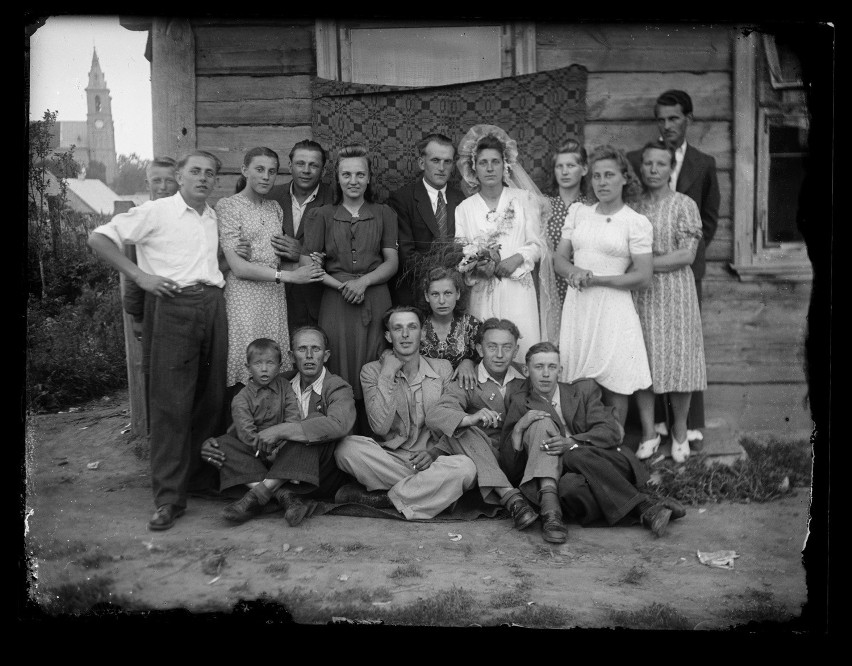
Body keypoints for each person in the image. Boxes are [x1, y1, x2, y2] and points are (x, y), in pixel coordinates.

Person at [87, 150, 228, 531]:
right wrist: (140, 277)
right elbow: (99, 238)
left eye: (210, 174)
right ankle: (168, 498)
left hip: (213, 304)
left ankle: (195, 481)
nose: (203, 178)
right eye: (195, 171)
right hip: (173, 304)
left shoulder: (211, 215)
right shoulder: (158, 211)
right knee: (170, 403)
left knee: (209, 397)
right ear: (179, 176)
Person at [500, 342, 685, 544]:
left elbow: (611, 432)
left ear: (560, 371)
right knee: (570, 488)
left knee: (573, 453)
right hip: (567, 475)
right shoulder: (520, 402)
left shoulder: (583, 390)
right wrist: (518, 429)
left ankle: (643, 507)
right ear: (526, 370)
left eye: (552, 367)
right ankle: (646, 505)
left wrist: (571, 442)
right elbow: (511, 469)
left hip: (607, 461)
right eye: (539, 367)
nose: (545, 373)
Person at [627, 90, 720, 441]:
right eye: (661, 119)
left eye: (674, 118)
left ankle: (686, 428)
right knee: (647, 351)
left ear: (688, 120)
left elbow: (708, 221)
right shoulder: (636, 161)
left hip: (682, 275)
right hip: (644, 282)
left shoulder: (704, 162)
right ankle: (649, 431)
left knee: (681, 352)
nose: (667, 126)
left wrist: (682, 259)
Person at [332, 306, 478, 519]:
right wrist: (388, 373)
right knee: (346, 449)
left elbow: (451, 419)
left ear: (422, 332)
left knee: (466, 468)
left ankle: (387, 498)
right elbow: (379, 426)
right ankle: (431, 494)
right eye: (397, 328)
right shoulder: (371, 371)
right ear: (388, 336)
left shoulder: (442, 369)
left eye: (412, 327)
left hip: (434, 460)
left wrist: (434, 453)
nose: (405, 334)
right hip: (391, 459)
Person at [203, 329, 355, 526]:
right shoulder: (276, 379)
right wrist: (216, 442)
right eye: (302, 349)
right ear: (291, 357)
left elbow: (338, 424)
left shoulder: (337, 386)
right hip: (273, 460)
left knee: (313, 423)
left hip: (314, 473)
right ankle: (284, 496)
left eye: (315, 349)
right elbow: (246, 420)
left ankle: (257, 495)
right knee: (221, 444)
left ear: (325, 355)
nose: (309, 356)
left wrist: (281, 431)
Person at [299, 144, 399, 433]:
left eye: (359, 174)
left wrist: (363, 282)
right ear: (338, 178)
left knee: (374, 361)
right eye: (346, 174)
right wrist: (342, 285)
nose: (353, 181)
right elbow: (308, 264)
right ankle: (340, 436)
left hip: (375, 297)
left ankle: (376, 435)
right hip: (335, 301)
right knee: (337, 361)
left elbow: (391, 263)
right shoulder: (321, 215)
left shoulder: (383, 213)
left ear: (369, 178)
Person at [554, 144, 653, 427]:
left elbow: (643, 276)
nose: (602, 182)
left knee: (615, 374)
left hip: (613, 305)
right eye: (596, 176)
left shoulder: (635, 222)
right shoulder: (578, 212)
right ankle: (578, 440)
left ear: (625, 178)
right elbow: (559, 258)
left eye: (609, 175)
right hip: (579, 304)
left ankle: (614, 443)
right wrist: (574, 270)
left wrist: (597, 279)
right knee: (576, 369)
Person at [216, 147, 326, 398]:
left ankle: (269, 426)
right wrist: (289, 276)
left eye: (272, 171)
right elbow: (239, 267)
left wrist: (308, 263)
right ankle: (241, 428)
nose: (266, 176)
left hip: (273, 299)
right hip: (243, 299)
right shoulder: (229, 206)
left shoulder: (274, 207)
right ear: (244, 171)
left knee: (271, 363)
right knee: (247, 360)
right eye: (259, 169)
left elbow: (276, 262)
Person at [453, 124, 559, 359]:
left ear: (505, 165)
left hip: (518, 289)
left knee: (522, 348)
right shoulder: (464, 209)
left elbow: (539, 243)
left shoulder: (524, 200)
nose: (490, 168)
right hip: (482, 290)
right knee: (485, 349)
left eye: (495, 162)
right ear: (474, 168)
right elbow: (461, 251)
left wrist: (518, 257)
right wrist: (478, 263)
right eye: (483, 163)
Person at [632, 140, 707, 463]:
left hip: (676, 292)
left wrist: (645, 262)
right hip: (642, 292)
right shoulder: (633, 206)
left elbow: (686, 255)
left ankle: (679, 431)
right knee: (644, 360)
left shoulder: (684, 204)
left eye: (660, 164)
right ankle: (649, 432)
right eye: (648, 163)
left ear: (670, 168)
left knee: (679, 361)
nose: (653, 170)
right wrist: (646, 264)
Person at [426, 317, 538, 529]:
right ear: (479, 348)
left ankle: (517, 494)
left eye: (507, 347)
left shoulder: (527, 375)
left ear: (516, 350)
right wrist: (470, 418)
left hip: (519, 456)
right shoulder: (468, 379)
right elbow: (435, 415)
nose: (499, 354)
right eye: (491, 346)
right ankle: (511, 498)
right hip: (485, 458)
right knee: (463, 428)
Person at [387, 133, 465, 305]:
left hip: (453, 297)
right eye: (435, 160)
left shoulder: (462, 200)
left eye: (448, 161)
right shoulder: (402, 199)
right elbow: (405, 254)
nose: (442, 167)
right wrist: (439, 277)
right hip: (416, 295)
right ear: (422, 163)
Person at [268, 140, 336, 334]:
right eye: (300, 164)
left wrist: (302, 253)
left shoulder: (335, 199)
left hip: (315, 298)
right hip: (274, 293)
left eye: (313, 165)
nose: (306, 170)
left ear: (323, 171)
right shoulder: (271, 195)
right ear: (290, 166)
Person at [122, 157, 179, 342]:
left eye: (169, 180)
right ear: (148, 184)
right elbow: (132, 271)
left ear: (178, 181)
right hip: (153, 305)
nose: (163, 187)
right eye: (157, 180)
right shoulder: (141, 218)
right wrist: (137, 316)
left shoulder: (186, 215)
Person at [544, 140, 595, 313]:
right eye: (559, 166)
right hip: (549, 282)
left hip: (580, 281)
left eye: (571, 165)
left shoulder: (591, 208)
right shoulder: (544, 206)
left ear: (584, 169)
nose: (564, 172)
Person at [418, 267, 482, 390]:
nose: (442, 301)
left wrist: (469, 362)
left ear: (457, 294)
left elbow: (486, 360)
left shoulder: (471, 325)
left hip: (463, 391)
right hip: (424, 391)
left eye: (448, 293)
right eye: (435, 294)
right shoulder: (418, 325)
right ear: (427, 296)